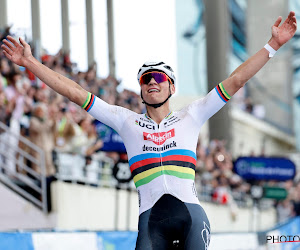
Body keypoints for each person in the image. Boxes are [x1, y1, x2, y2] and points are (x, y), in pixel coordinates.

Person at [1, 11, 297, 250]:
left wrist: (273, 45)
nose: (151, 82)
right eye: (144, 79)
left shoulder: (191, 115)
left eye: (158, 76)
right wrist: (29, 62)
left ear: (172, 86)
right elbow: (75, 93)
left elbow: (235, 80)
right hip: (150, 222)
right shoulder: (125, 121)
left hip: (191, 217)